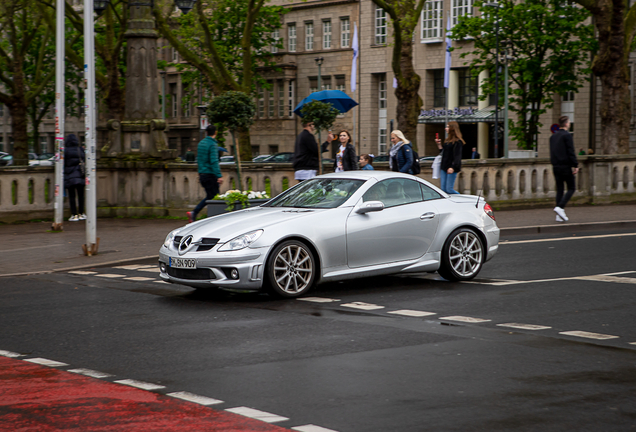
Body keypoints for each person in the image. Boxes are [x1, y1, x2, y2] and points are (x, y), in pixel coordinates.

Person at [187, 125, 224, 223]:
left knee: (210, 196)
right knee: (215, 197)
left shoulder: (200, 144)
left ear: (206, 133)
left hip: (202, 174)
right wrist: (219, 175)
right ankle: (213, 218)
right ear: (215, 133)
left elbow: (199, 160)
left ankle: (195, 212)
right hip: (210, 174)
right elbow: (214, 161)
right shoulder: (213, 145)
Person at [550, 115, 578, 222]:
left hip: (556, 166)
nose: (570, 123)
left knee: (560, 190)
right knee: (571, 188)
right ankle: (560, 207)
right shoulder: (567, 136)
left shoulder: (553, 137)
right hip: (565, 166)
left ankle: (558, 215)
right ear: (566, 124)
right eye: (569, 122)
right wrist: (575, 165)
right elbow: (570, 151)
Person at [434, 121, 465, 195]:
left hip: (451, 167)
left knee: (449, 189)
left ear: (452, 129)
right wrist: (439, 145)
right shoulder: (447, 141)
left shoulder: (458, 142)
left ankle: (461, 199)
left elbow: (457, 156)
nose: (446, 128)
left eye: (448, 127)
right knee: (443, 189)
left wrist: (453, 167)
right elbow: (444, 153)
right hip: (444, 166)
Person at [63, 134, 86, 221]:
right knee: (81, 195)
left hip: (70, 176)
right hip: (80, 174)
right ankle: (81, 213)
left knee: (72, 196)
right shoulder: (80, 149)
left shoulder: (66, 151)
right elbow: (84, 159)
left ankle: (74, 214)